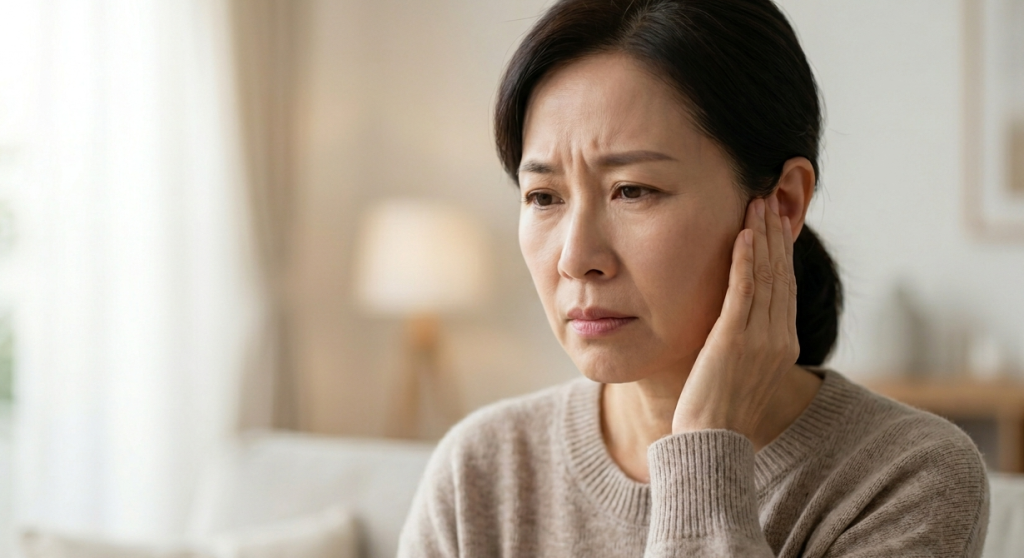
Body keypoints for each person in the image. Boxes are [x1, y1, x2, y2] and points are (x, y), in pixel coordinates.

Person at [397, 0, 989, 556]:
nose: (576, 257)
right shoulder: (479, 473)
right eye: (543, 196)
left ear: (782, 204)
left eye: (633, 190)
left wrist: (705, 447)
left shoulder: (907, 478)